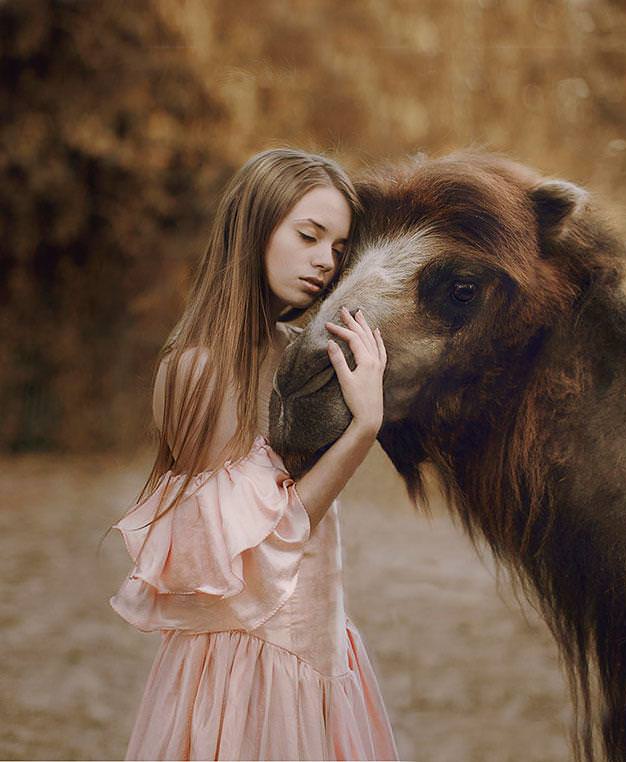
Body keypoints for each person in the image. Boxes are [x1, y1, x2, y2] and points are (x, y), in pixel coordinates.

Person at [109, 148, 398, 761]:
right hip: (250, 668)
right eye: (309, 235)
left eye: (339, 248)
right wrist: (362, 428)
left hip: (318, 647)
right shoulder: (200, 367)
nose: (325, 260)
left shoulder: (301, 353)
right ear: (254, 229)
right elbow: (267, 543)